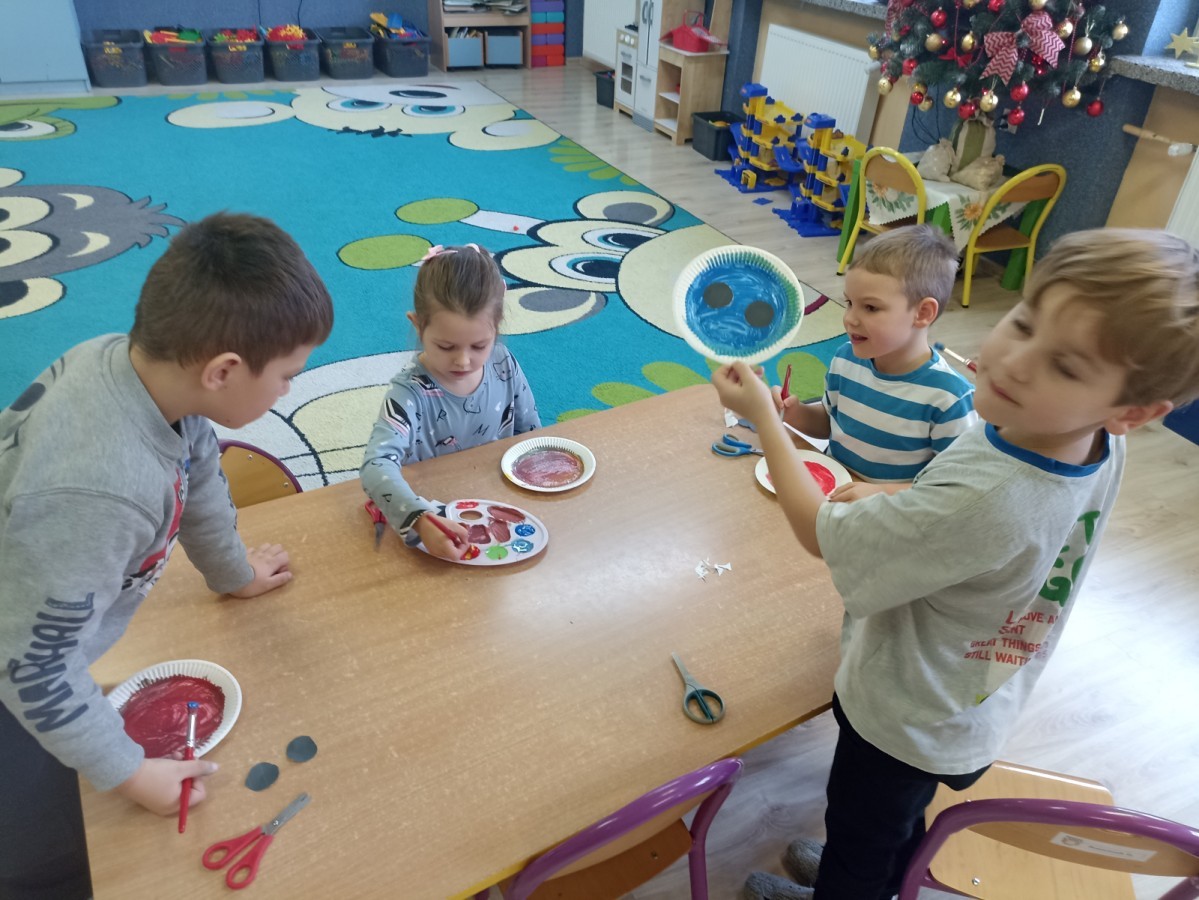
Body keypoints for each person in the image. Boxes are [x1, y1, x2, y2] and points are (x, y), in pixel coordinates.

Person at [715, 228, 1199, 900]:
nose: (1014, 362)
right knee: (893, 820)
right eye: (1023, 323)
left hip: (903, 713)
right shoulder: (1095, 441)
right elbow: (972, 508)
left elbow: (821, 535)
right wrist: (914, 489)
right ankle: (883, 875)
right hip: (968, 696)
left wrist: (765, 423)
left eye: (1064, 366)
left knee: (859, 834)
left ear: (1133, 410)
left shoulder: (986, 497)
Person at [0, 212, 334, 899]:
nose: (289, 391)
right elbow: (33, 667)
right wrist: (130, 773)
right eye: (287, 376)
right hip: (20, 655)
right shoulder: (98, 491)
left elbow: (198, 472)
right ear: (224, 371)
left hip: (40, 604)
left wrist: (234, 574)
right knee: (53, 856)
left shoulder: (137, 367)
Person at [361, 243, 540, 560]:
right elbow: (375, 467)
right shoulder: (409, 393)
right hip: (438, 518)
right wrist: (421, 519)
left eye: (479, 345)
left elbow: (531, 436)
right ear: (418, 325)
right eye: (446, 347)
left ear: (497, 327)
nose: (463, 361)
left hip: (498, 507)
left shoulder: (503, 363)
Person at [780, 224, 976, 495]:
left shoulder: (950, 398)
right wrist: (794, 413)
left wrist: (880, 493)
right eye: (849, 303)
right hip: (832, 496)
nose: (850, 318)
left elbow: (953, 490)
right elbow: (829, 424)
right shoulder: (846, 359)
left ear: (922, 313)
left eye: (870, 307)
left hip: (892, 514)